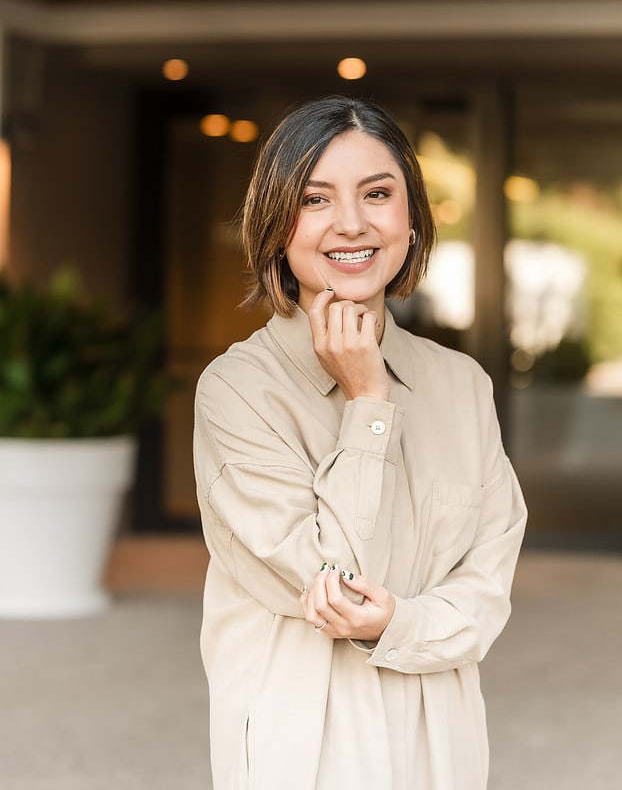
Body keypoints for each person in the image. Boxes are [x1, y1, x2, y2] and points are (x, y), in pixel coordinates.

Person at [193, 95, 527, 790]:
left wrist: (400, 621)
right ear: (277, 226)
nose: (351, 222)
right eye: (315, 200)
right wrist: (368, 403)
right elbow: (330, 581)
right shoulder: (238, 391)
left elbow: (487, 592)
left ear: (410, 220)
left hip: (442, 749)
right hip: (302, 753)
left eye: (377, 193)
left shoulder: (461, 385)